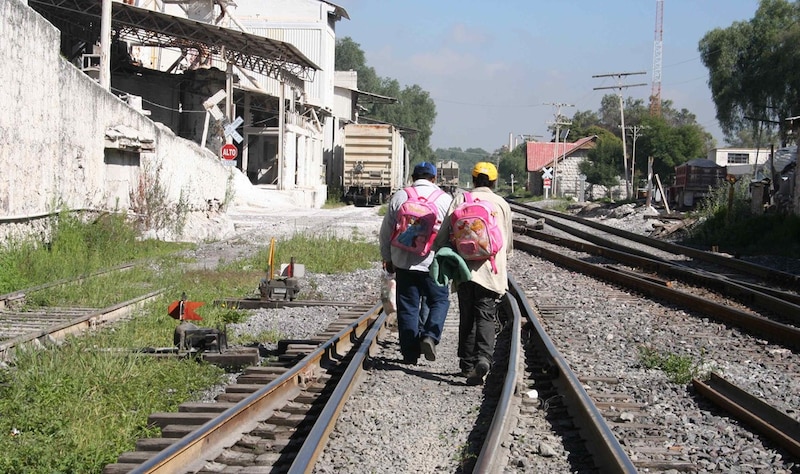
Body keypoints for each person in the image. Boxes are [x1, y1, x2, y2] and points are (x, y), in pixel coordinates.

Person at [434, 161, 513, 385]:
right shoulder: (501, 203)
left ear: (474, 178)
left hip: (464, 267)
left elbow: (443, 234)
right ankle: (484, 358)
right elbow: (506, 243)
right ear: (494, 181)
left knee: (467, 315)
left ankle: (467, 364)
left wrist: (440, 252)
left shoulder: (461, 200)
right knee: (486, 314)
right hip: (489, 269)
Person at [379, 162, 454, 364]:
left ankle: (409, 354)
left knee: (408, 307)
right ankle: (430, 335)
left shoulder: (400, 196)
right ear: (434, 178)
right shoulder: (445, 199)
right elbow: (452, 233)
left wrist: (388, 258)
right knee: (439, 301)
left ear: (413, 177)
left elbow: (386, 231)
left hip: (404, 261)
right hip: (433, 263)